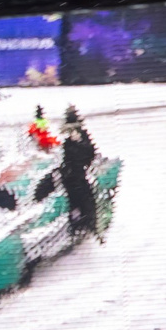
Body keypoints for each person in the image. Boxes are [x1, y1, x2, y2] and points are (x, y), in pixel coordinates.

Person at [58, 104, 102, 244]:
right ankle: (76, 226)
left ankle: (90, 225)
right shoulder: (66, 142)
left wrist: (79, 143)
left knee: (86, 200)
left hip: (79, 175)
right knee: (73, 203)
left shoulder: (83, 138)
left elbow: (90, 153)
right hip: (69, 177)